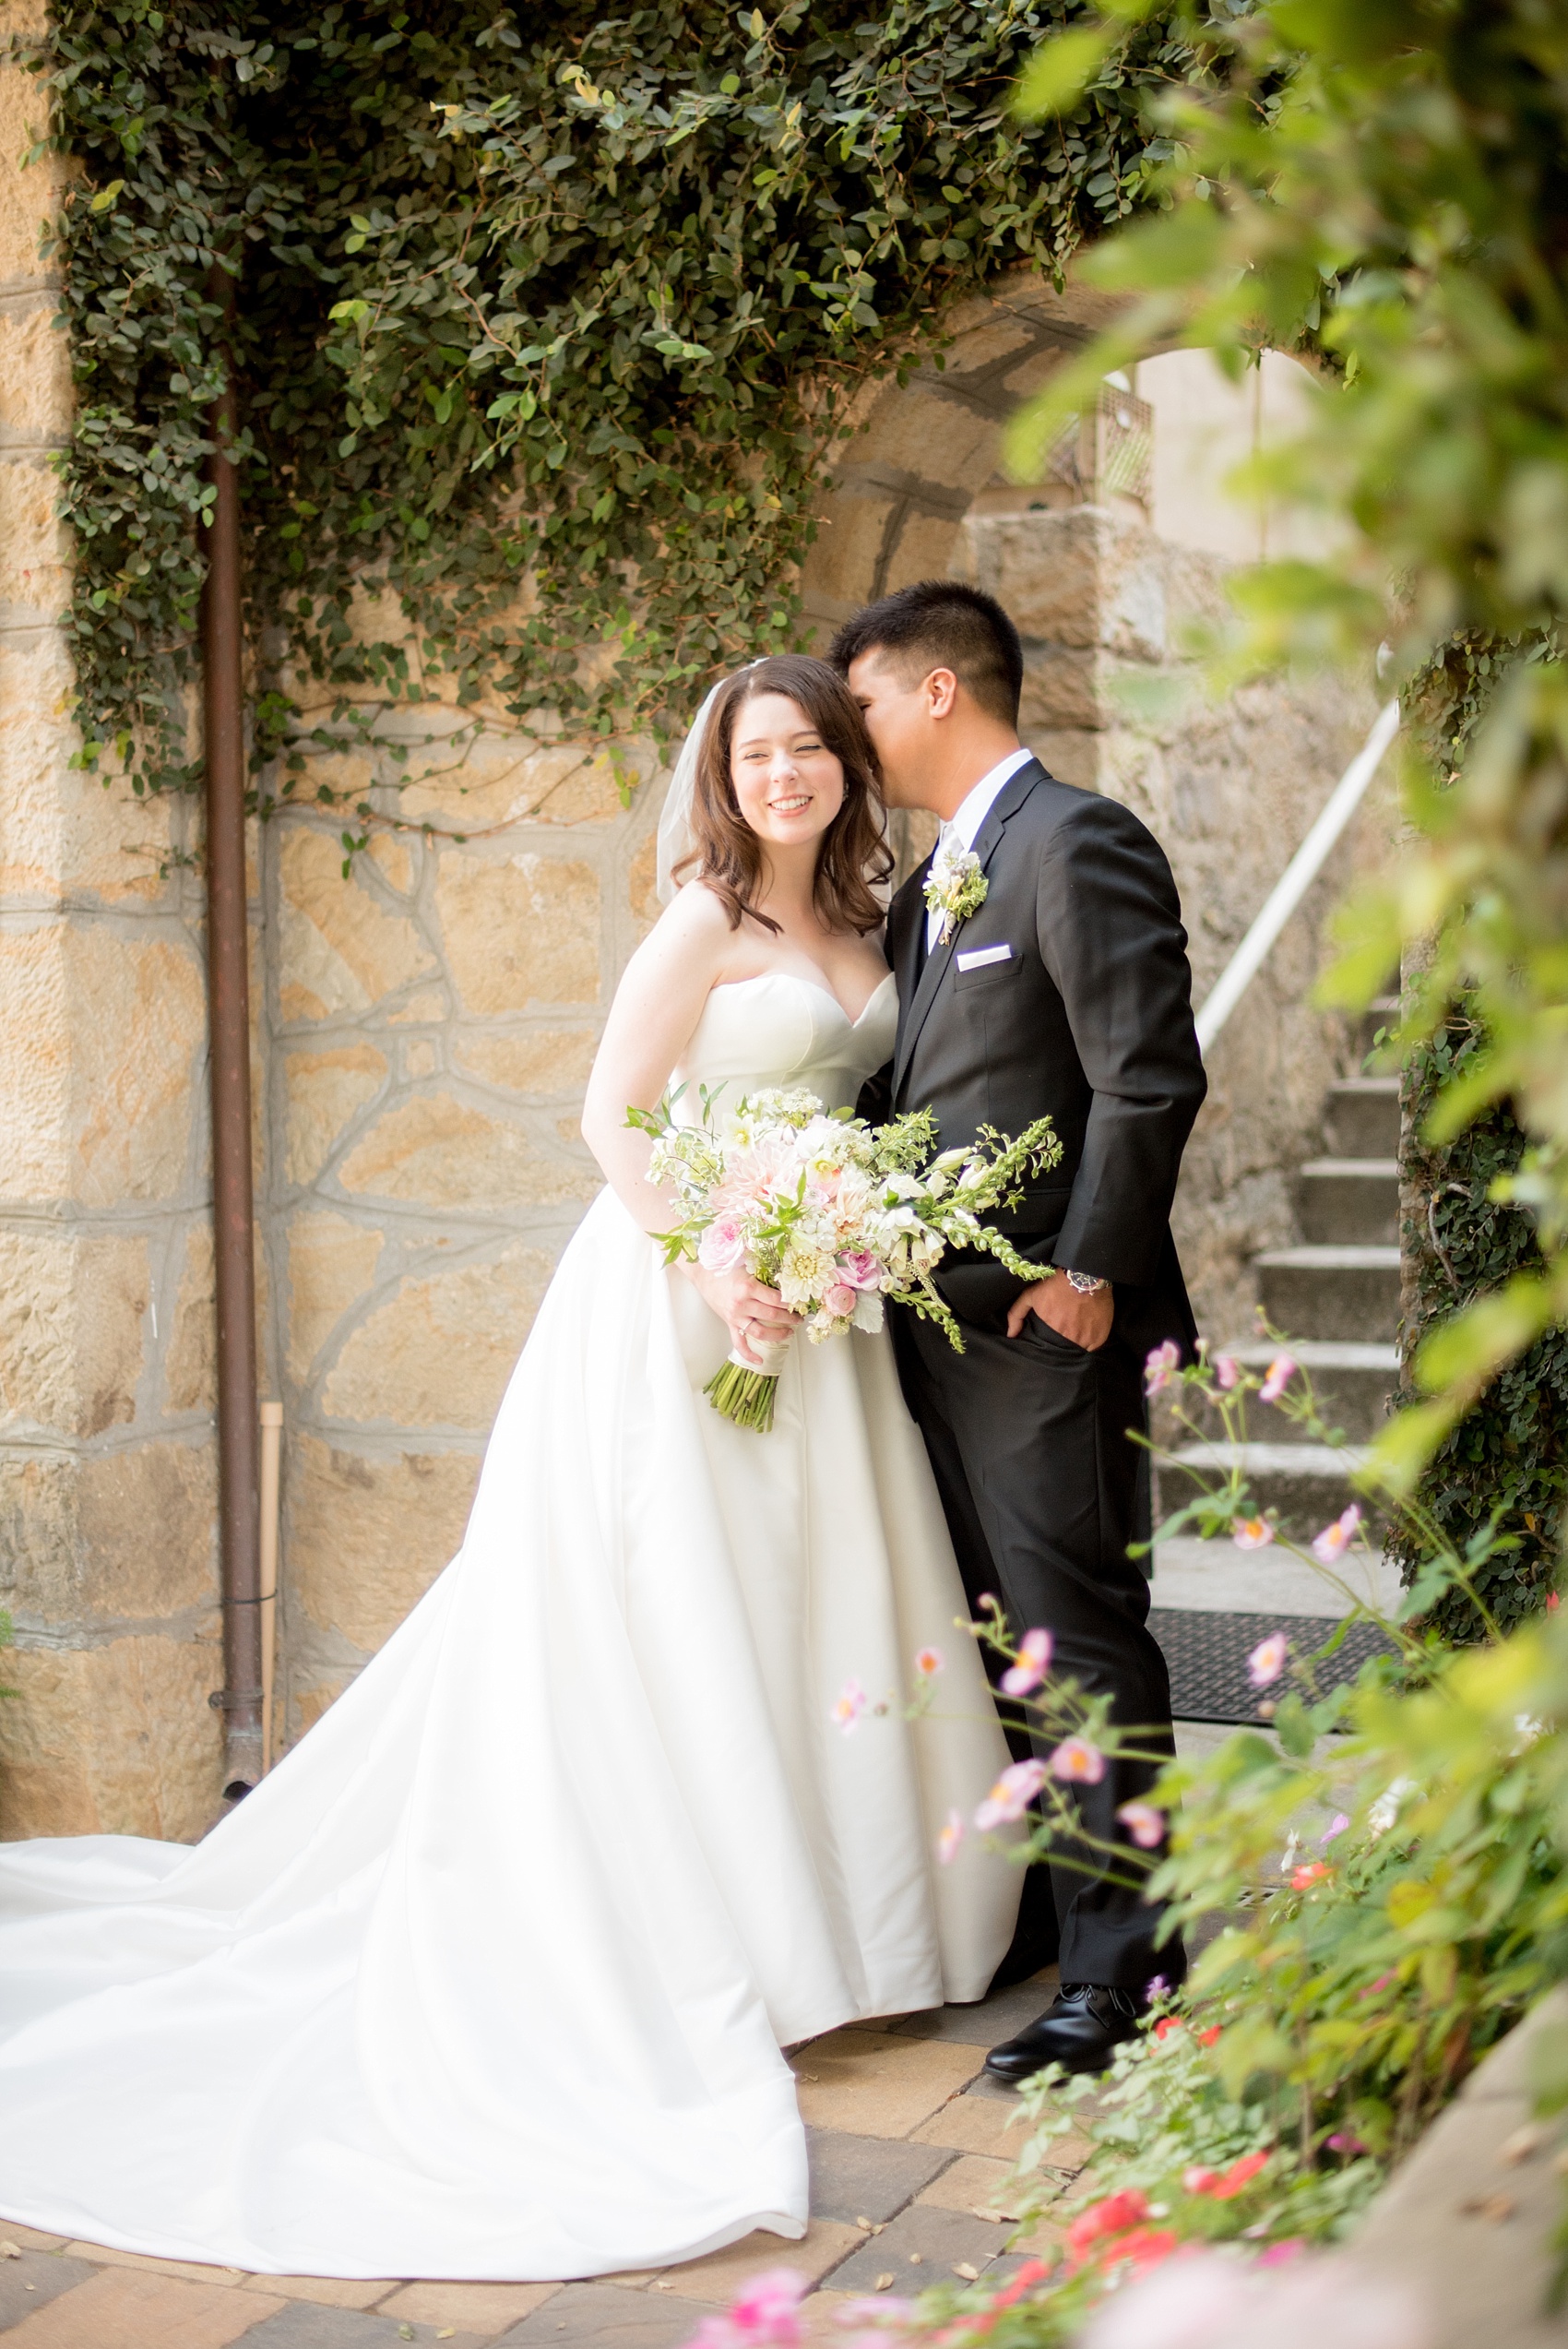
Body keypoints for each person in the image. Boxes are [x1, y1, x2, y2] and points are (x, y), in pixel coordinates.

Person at [0, 656, 1020, 2282]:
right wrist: (711, 1260)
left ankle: (860, 1929)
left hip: (819, 1311)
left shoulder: (871, 926)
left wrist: (828, 1240)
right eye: (759, 756)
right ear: (725, 774)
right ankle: (729, 1947)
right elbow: (611, 1118)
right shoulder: (703, 921)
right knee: (686, 1604)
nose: (786, 778)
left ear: (843, 766)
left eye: (810, 752)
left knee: (814, 1594)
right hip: (683, 1302)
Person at [832, 581, 1207, 2081]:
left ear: (934, 693)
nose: (850, 732)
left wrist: (1089, 1279)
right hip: (939, 1331)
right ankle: (1067, 1912)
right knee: (1000, 1636)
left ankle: (1127, 1973)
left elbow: (1147, 1076)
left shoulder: (1076, 840)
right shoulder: (938, 879)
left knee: (1080, 1636)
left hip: (1049, 1326)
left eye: (858, 703)